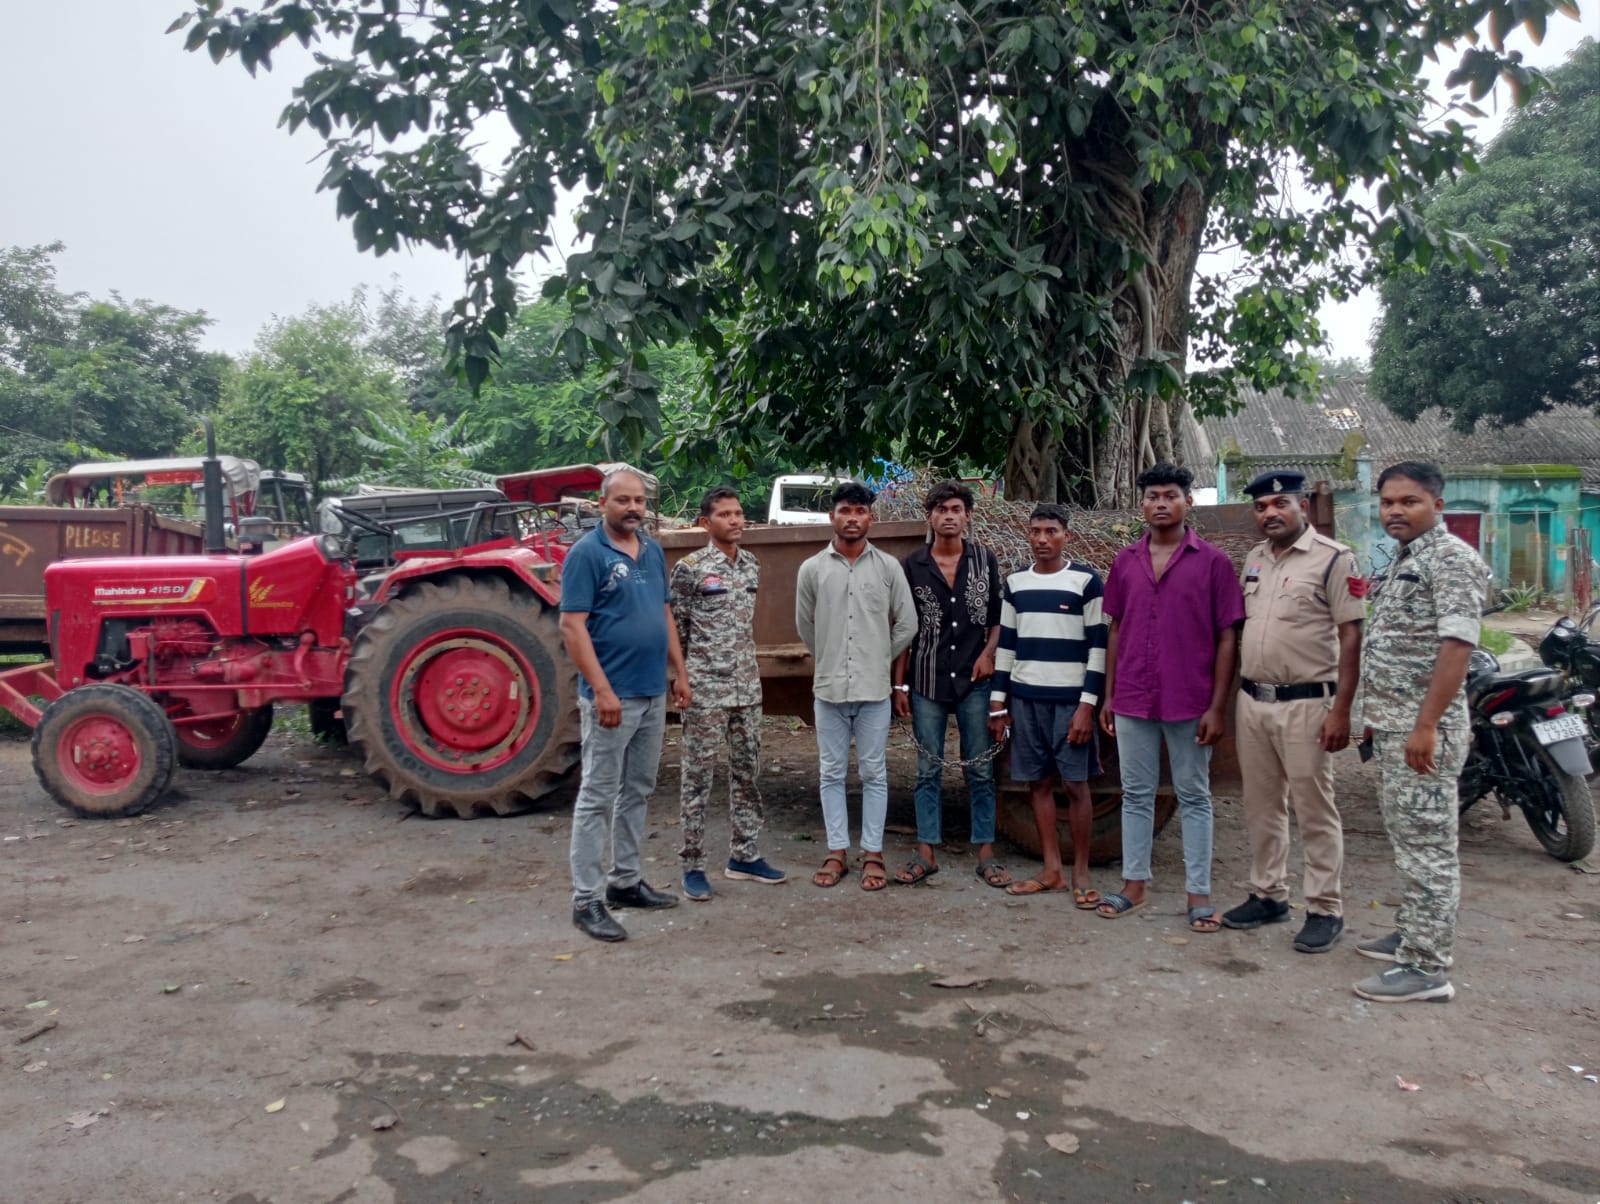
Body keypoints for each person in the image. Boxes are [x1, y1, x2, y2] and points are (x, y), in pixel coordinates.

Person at [1353, 461, 1487, 1003]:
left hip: (1424, 732)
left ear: (1437, 505)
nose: (1395, 511)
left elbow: (1457, 646)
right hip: (1393, 726)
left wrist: (1426, 725)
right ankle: (1413, 931)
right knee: (1407, 841)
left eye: (1409, 501)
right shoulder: (1407, 559)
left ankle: (1427, 967)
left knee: (1429, 849)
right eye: (1387, 502)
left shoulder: (1452, 559)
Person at [1222, 470, 1365, 953]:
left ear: (1302, 506)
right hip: (1254, 702)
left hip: (1307, 703)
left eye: (1280, 503)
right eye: (1262, 507)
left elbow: (1351, 635)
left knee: (1314, 809)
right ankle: (1269, 894)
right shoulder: (1255, 559)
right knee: (1262, 806)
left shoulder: (1334, 559)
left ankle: (1325, 907)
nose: (1270, 513)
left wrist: (1342, 710)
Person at [1098, 463, 1244, 931]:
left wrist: (1217, 707)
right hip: (1133, 697)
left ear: (1188, 502)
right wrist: (1109, 695)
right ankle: (1134, 885)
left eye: (1170, 496)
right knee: (1136, 794)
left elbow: (1227, 637)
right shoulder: (1125, 561)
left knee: (1194, 795)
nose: (1161, 504)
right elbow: (1116, 629)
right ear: (1141, 504)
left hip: (1190, 701)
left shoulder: (1213, 563)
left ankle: (1198, 894)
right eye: (1152, 496)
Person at [559, 469, 691, 942]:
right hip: (612, 698)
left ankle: (626, 882)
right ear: (602, 504)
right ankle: (586, 900)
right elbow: (572, 626)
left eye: (639, 500)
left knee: (638, 789)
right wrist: (601, 689)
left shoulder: (652, 550)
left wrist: (679, 671)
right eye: (623, 500)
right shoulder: (586, 554)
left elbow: (663, 612)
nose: (633, 508)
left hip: (651, 692)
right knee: (598, 795)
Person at [795, 480, 917, 891]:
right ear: (832, 516)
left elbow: (908, 623)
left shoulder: (888, 568)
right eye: (845, 511)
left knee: (874, 773)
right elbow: (805, 625)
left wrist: (879, 658)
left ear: (871, 518)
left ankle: (873, 853)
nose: (852, 518)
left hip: (874, 691)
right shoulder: (812, 569)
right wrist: (830, 656)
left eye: (860, 511)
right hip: (828, 690)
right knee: (831, 773)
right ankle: (836, 852)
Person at [987, 504, 1108, 905]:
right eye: (1036, 531)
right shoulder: (1016, 583)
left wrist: (1087, 706)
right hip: (1026, 700)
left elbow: (1098, 649)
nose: (1042, 539)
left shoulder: (1086, 582)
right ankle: (1052, 870)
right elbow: (1006, 646)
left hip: (1070, 701)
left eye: (1051, 531)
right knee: (1037, 783)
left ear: (1066, 536)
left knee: (1075, 784)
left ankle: (1081, 872)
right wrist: (998, 703)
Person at [670, 486, 785, 902]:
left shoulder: (751, 565)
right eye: (725, 514)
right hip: (705, 690)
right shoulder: (690, 569)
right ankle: (692, 864)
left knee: (747, 774)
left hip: (746, 688)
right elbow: (677, 628)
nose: (735, 520)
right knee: (697, 779)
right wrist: (681, 677)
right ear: (706, 522)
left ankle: (744, 855)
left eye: (738, 513)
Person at [891, 480, 1006, 887]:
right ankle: (926, 851)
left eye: (956, 509)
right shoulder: (912, 565)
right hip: (927, 680)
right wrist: (900, 686)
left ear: (968, 515)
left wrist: (988, 654)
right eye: (941, 509)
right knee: (928, 769)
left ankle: (986, 853)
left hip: (975, 680)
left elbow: (998, 619)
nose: (949, 516)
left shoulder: (984, 560)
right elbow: (905, 628)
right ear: (930, 517)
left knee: (980, 768)